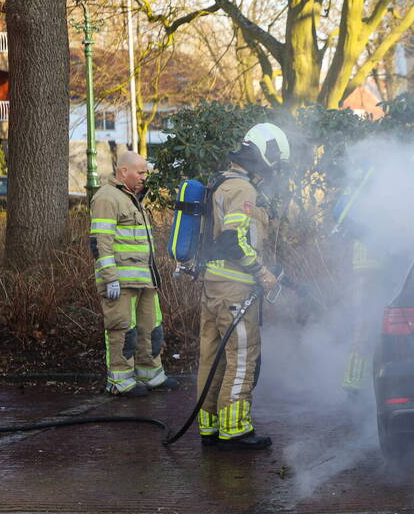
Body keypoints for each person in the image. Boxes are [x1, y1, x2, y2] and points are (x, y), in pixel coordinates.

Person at [339, 145, 414, 395]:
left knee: (395, 325)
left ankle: (385, 384)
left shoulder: (409, 188)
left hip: (394, 263)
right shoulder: (384, 179)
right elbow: (346, 216)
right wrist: (378, 239)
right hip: (370, 265)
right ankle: (354, 390)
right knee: (366, 326)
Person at [196, 123, 285, 449]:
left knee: (212, 357)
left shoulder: (219, 183)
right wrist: (262, 273)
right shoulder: (243, 190)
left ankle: (210, 427)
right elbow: (234, 241)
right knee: (242, 356)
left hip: (213, 285)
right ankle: (235, 429)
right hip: (236, 289)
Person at [89, 151, 178, 397]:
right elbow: (101, 242)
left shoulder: (133, 199)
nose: (144, 177)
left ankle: (150, 374)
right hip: (120, 282)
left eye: (145, 172)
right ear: (123, 171)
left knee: (151, 328)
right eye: (140, 172)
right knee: (122, 330)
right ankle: (120, 381)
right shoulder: (107, 197)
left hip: (144, 280)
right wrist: (110, 278)